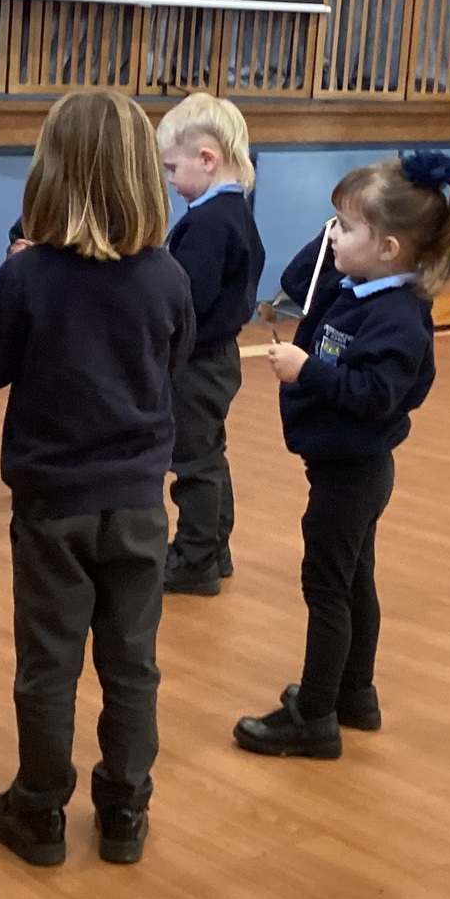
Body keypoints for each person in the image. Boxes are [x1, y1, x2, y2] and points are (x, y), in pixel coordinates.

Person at [0, 91, 195, 868]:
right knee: (132, 665)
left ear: (50, 176)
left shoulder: (27, 277)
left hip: (51, 506)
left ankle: (38, 812)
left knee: (49, 664)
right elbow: (173, 362)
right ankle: (125, 810)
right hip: (137, 504)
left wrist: (11, 273)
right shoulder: (167, 277)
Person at [233, 151, 450, 760]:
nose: (333, 236)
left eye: (346, 227)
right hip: (341, 466)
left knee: (328, 589)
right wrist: (334, 233)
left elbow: (374, 395)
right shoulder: (353, 285)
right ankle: (354, 695)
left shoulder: (398, 318)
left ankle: (314, 716)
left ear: (389, 248)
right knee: (356, 577)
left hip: (354, 472)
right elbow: (298, 278)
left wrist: (307, 370)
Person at [155, 94, 265, 596]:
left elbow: (187, 297)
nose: (170, 181)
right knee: (210, 454)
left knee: (192, 463)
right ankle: (215, 548)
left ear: (206, 159)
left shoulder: (206, 224)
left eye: (173, 169)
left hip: (195, 363)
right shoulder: (235, 212)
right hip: (220, 357)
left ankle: (194, 559)